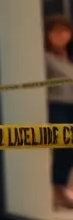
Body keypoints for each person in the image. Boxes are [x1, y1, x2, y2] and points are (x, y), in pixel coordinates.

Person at [43, 15, 73, 210]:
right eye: (56, 31)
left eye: (65, 31)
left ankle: (61, 188)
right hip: (56, 105)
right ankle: (56, 190)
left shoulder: (68, 58)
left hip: (70, 105)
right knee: (63, 147)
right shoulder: (44, 57)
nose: (61, 36)